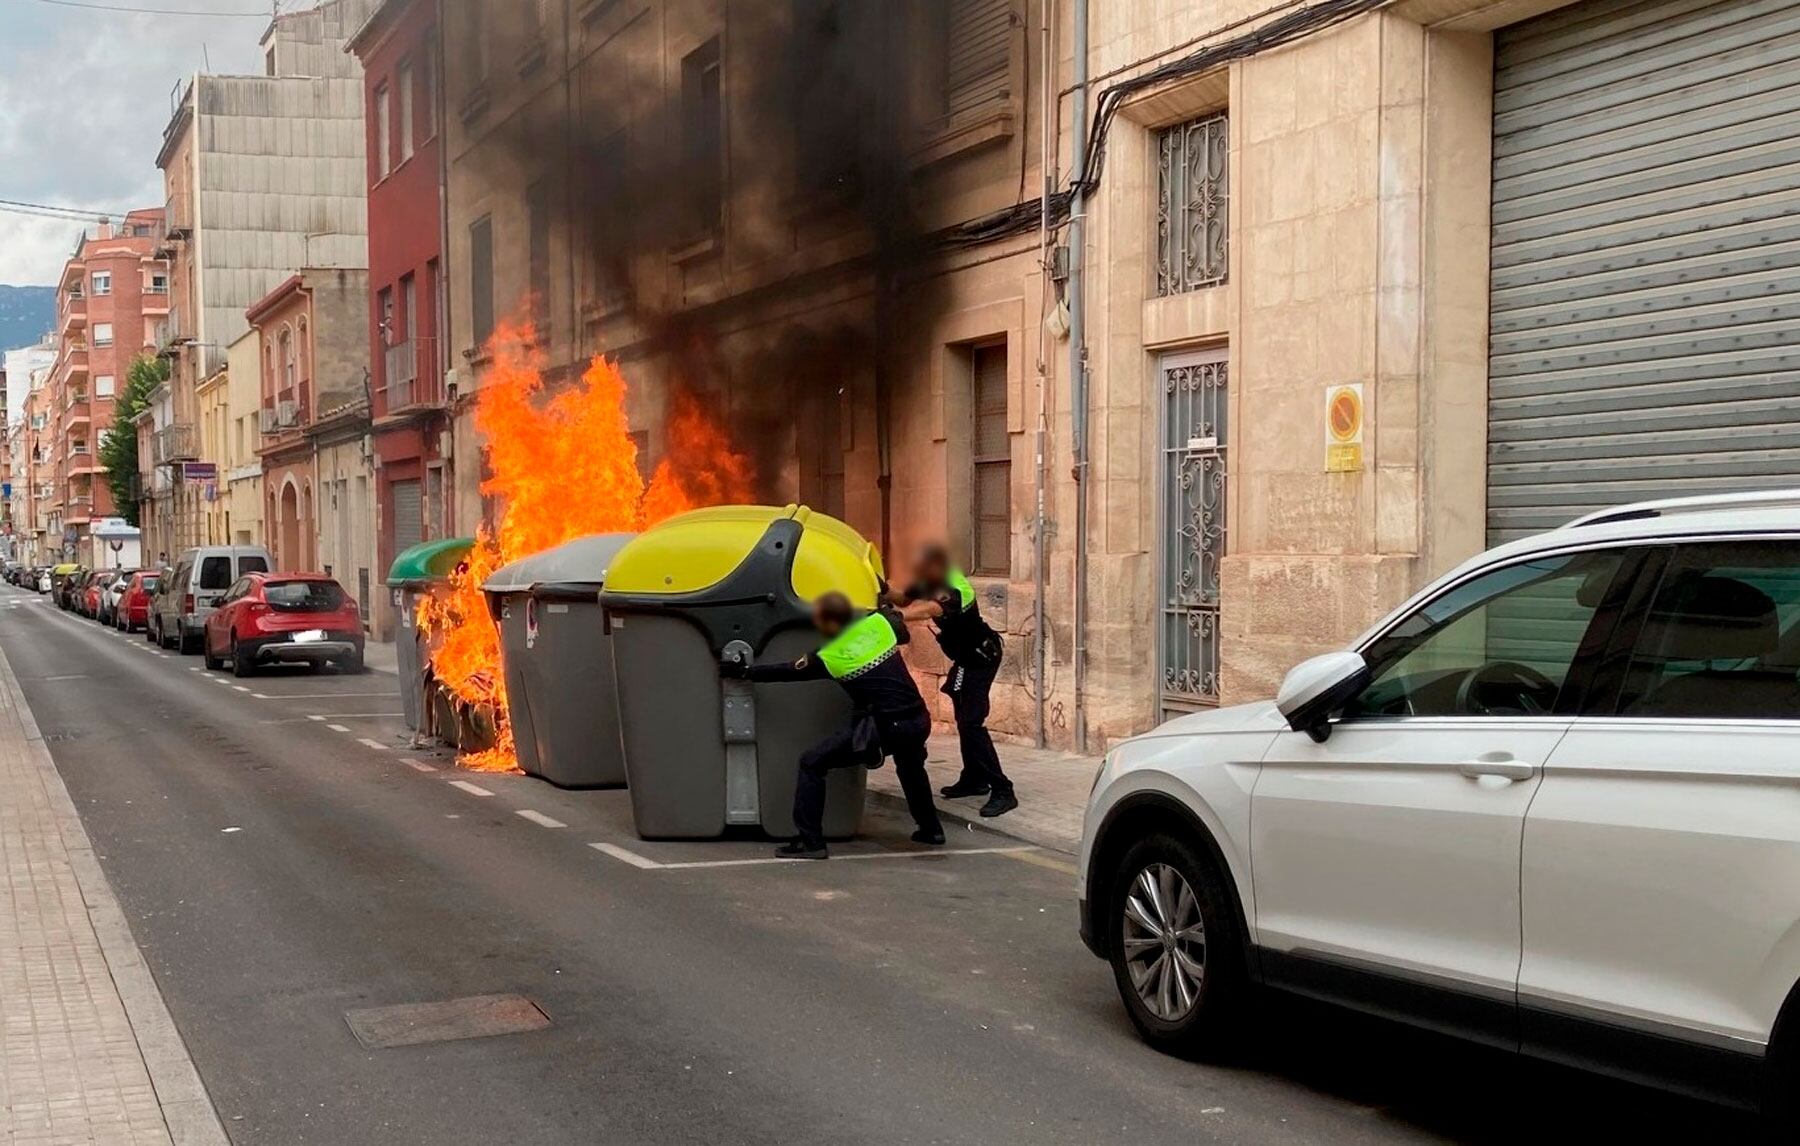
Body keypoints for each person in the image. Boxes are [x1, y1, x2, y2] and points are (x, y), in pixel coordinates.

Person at [723, 591, 943, 860]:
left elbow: (789, 671)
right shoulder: (878, 624)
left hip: (886, 726)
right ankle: (931, 830)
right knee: (910, 767)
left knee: (812, 762)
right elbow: (900, 623)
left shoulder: (831, 655)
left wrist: (746, 672)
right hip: (918, 719)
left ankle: (811, 842)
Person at [893, 543, 1017, 818]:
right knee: (963, 718)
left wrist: (892, 618)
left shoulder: (955, 588)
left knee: (971, 723)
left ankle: (1003, 790)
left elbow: (929, 609)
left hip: (981, 659)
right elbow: (903, 598)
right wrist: (879, 589)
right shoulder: (929, 579)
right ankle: (974, 778)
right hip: (965, 661)